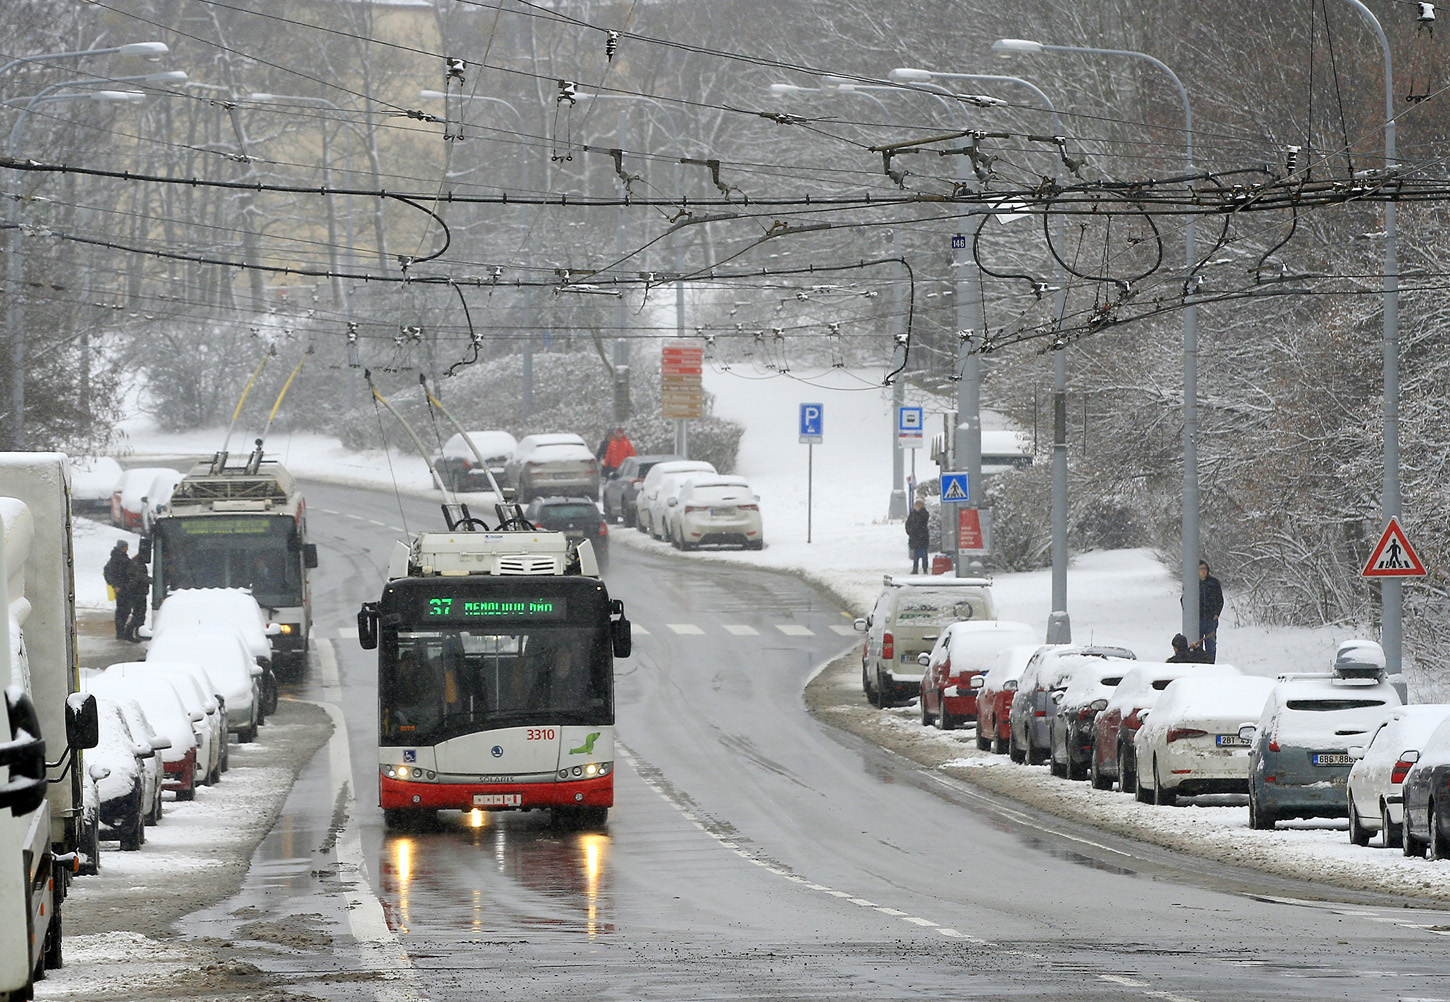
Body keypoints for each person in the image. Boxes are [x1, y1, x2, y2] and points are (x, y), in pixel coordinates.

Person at [118, 553, 151, 643]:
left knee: (139, 614)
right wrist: (153, 581)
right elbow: (140, 577)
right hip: (137, 593)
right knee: (138, 614)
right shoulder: (137, 564)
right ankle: (130, 633)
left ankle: (135, 632)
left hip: (137, 592)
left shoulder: (137, 563)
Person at [103, 540, 131, 639]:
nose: (127, 549)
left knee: (124, 610)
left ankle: (121, 630)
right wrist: (116, 585)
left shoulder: (120, 557)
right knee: (122, 610)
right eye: (125, 547)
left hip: (124, 587)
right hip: (122, 588)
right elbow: (110, 573)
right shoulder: (116, 559)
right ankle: (120, 631)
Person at [1198, 560, 1225, 663]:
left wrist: (1217, 613)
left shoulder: (1213, 583)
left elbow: (1220, 600)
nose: (1203, 571)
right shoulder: (1192, 583)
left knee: (1211, 645)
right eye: (1201, 569)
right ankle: (1198, 664)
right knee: (1197, 645)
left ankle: (1210, 665)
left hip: (1210, 620)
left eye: (1205, 568)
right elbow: (1184, 599)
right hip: (1197, 620)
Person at [905, 498, 930, 575]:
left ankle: (925, 569)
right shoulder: (912, 514)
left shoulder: (924, 513)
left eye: (919, 504)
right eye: (916, 504)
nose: (917, 506)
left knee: (924, 554)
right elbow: (908, 523)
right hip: (915, 537)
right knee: (915, 554)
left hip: (923, 537)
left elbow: (921, 523)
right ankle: (915, 569)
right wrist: (910, 532)